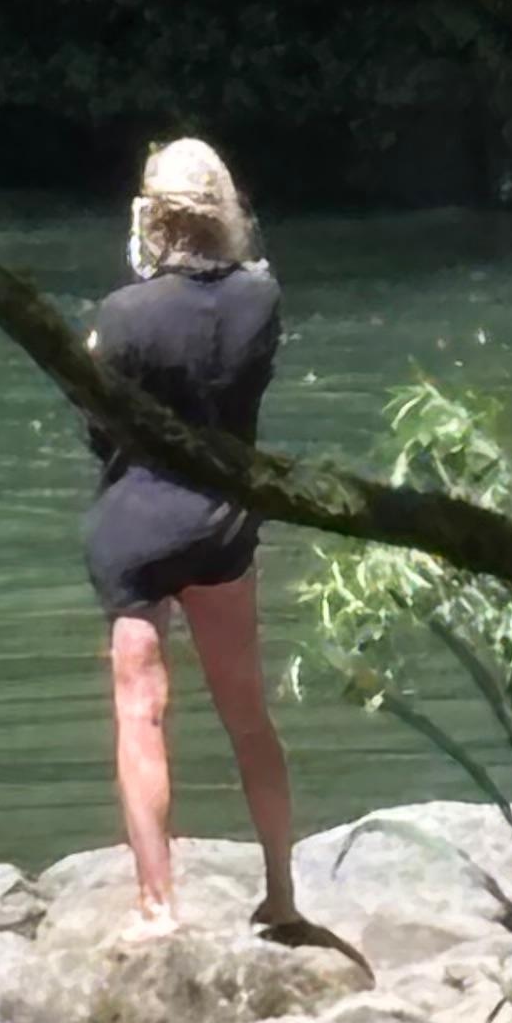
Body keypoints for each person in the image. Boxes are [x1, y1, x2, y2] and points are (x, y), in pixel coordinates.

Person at [83, 137, 313, 941]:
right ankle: (281, 893)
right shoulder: (262, 298)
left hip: (137, 523)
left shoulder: (122, 315)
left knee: (141, 714)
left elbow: (97, 428)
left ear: (151, 217)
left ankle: (157, 905)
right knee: (247, 714)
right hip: (223, 521)